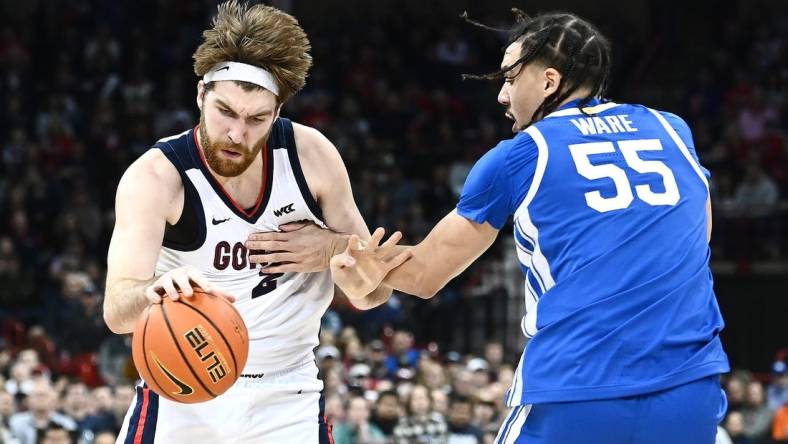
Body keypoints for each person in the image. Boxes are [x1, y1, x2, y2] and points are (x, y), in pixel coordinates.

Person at [261, 9, 730, 444]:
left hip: (578, 388)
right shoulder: (672, 129)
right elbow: (699, 234)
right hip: (691, 388)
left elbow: (426, 275)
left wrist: (331, 246)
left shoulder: (521, 154)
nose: (503, 93)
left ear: (549, 81)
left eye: (510, 77)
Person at [102, 1, 406, 443]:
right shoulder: (156, 177)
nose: (237, 133)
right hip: (184, 389)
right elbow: (116, 310)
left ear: (277, 112)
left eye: (256, 118)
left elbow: (375, 291)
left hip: (288, 392)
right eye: (225, 111)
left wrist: (335, 251)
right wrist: (152, 293)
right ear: (201, 95)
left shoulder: (312, 157)